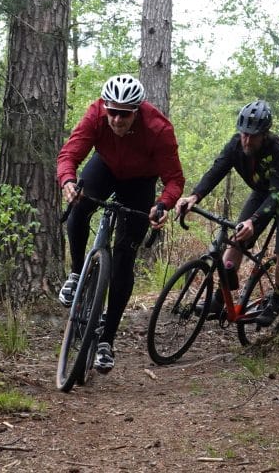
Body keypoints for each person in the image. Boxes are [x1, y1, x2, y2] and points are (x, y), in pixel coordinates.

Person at [56, 74, 184, 373]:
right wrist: (68, 180)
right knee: (78, 209)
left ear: (136, 111)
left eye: (123, 114)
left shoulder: (158, 129)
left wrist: (162, 205)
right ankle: (77, 274)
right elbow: (69, 155)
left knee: (124, 258)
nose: (116, 119)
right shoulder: (96, 114)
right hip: (105, 167)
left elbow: (174, 180)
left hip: (140, 183)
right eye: (111, 111)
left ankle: (106, 341)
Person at [175, 99, 279, 325]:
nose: (246, 139)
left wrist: (254, 221)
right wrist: (194, 196)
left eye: (253, 135)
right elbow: (216, 171)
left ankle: (277, 300)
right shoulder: (235, 145)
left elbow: (277, 196)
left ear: (264, 134)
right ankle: (220, 300)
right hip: (262, 190)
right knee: (235, 240)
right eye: (244, 133)